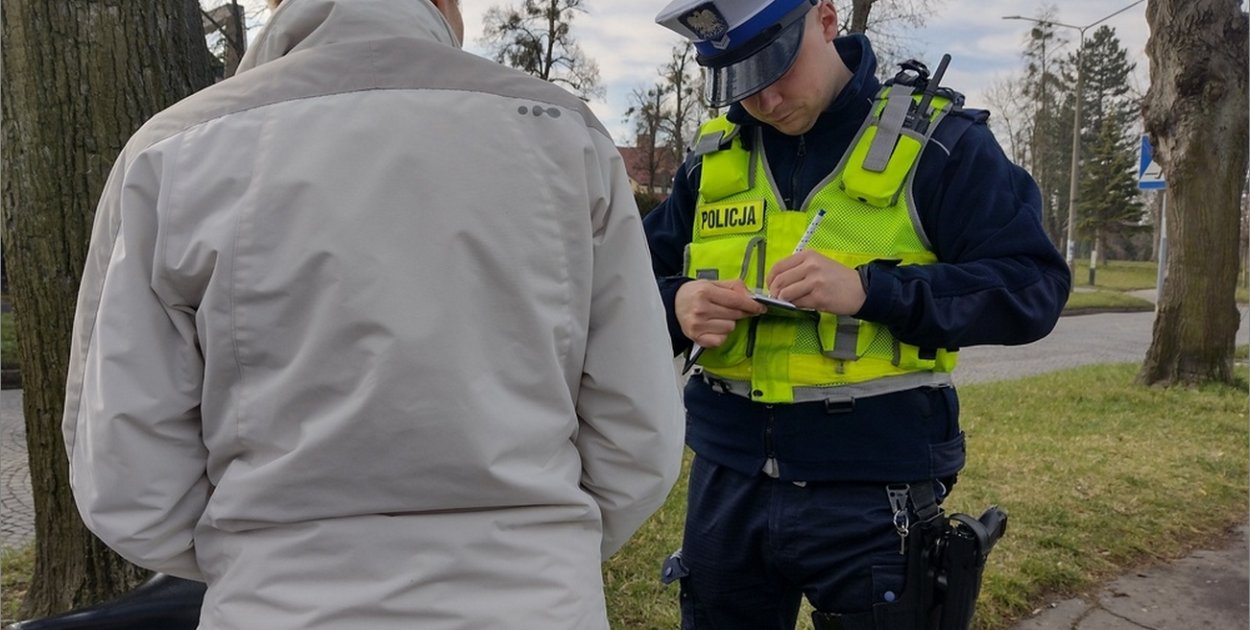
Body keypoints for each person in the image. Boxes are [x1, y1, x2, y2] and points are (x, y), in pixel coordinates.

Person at [60, 0, 685, 628]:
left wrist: (264, 559)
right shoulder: (565, 135)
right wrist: (542, 551)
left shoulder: (174, 152)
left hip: (278, 606)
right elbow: (638, 435)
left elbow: (125, 474)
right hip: (537, 603)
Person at [645, 0, 1071, 628]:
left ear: (825, 18)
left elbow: (1033, 286)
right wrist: (675, 302)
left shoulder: (941, 145)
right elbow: (625, 287)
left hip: (876, 494)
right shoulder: (711, 160)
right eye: (738, 78)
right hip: (725, 483)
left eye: (773, 65)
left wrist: (875, 291)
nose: (761, 99)